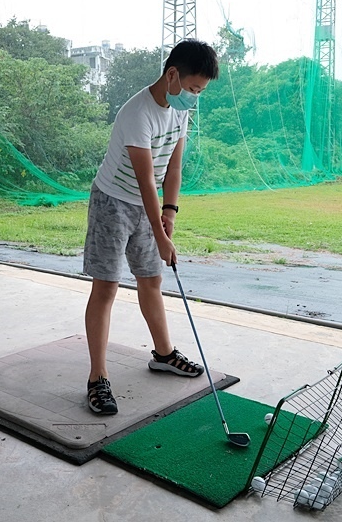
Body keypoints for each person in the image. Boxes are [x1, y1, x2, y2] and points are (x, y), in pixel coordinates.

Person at [83, 39, 219, 415]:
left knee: (151, 281)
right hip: (113, 202)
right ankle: (98, 378)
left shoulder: (180, 112)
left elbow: (172, 168)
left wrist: (170, 214)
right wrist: (159, 235)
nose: (194, 97)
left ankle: (163, 354)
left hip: (149, 204)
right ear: (172, 75)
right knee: (107, 287)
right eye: (192, 89)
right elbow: (145, 181)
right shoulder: (136, 113)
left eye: (199, 92)